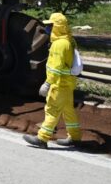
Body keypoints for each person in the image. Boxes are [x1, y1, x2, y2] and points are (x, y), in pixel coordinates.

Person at [23, 12, 82, 148]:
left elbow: (55, 68)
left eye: (50, 25)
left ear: (57, 27)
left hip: (58, 84)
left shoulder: (58, 45)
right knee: (68, 112)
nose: (48, 28)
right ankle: (75, 137)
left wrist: (47, 83)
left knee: (52, 110)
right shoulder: (70, 40)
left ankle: (42, 139)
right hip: (68, 84)